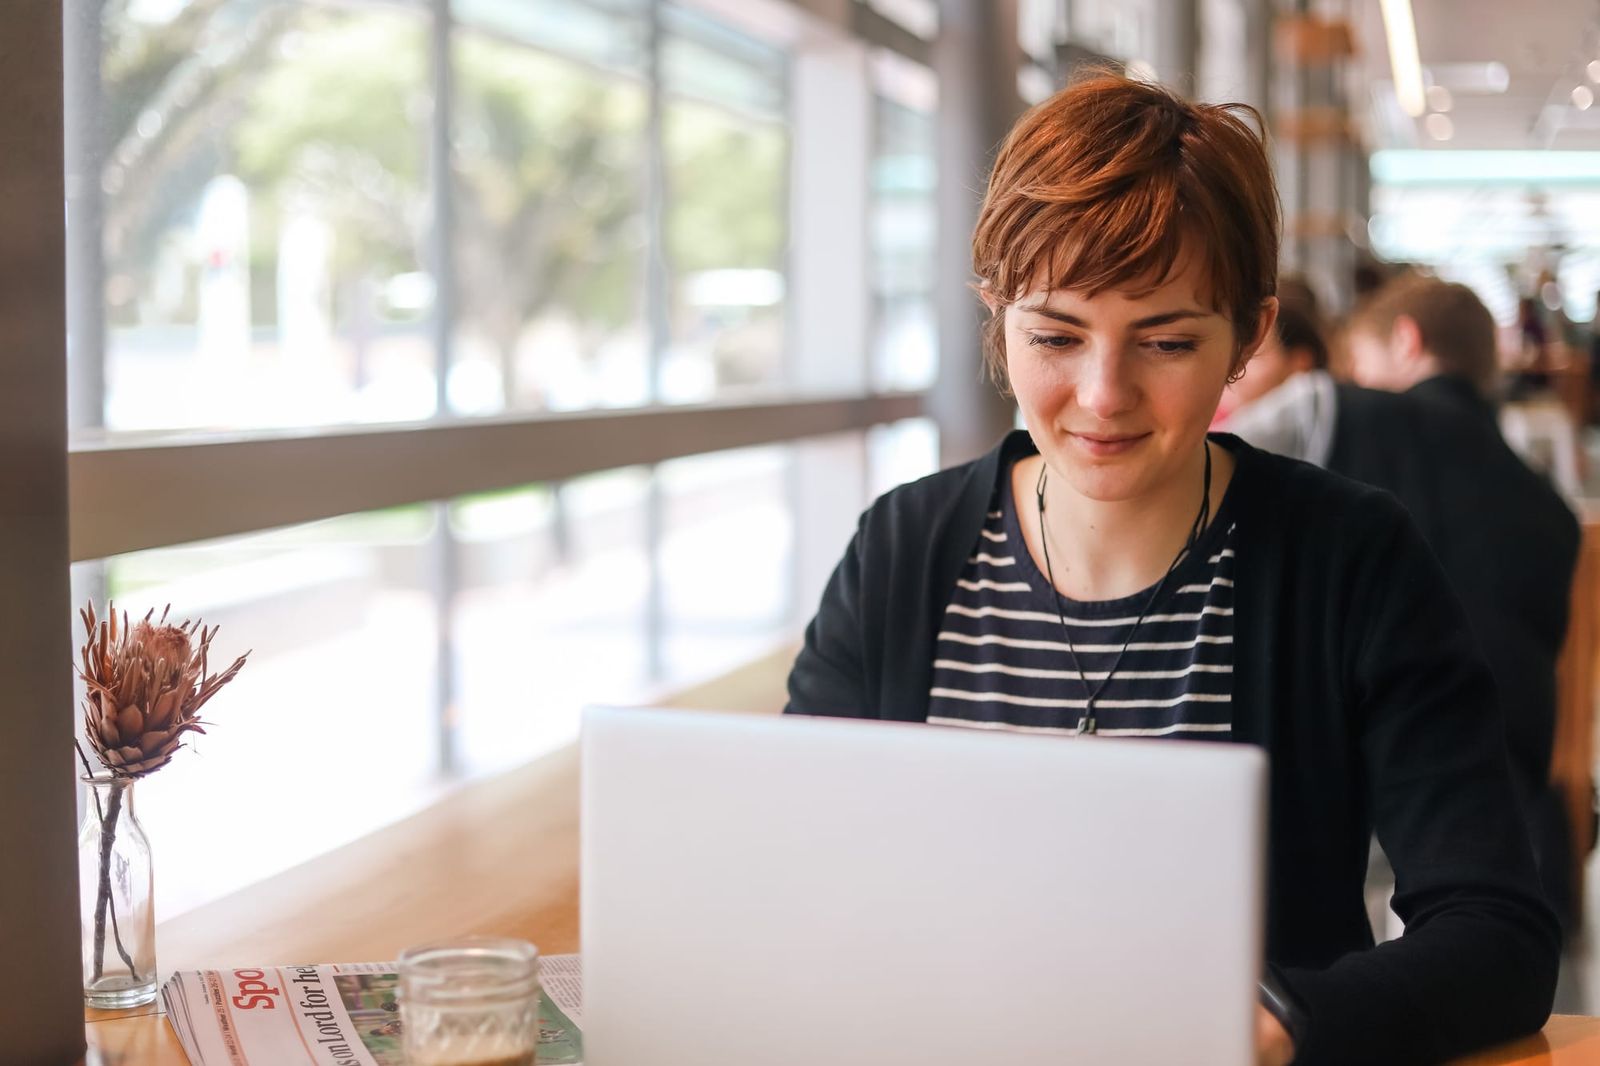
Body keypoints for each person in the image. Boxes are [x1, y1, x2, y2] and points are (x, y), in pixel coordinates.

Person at [785, 73, 1557, 1066]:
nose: (1103, 396)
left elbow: (1496, 931)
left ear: (1248, 335)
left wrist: (1284, 1020)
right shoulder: (904, 551)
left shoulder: (1347, 559)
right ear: (996, 315)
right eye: (1055, 336)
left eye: (1165, 340)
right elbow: (803, 875)